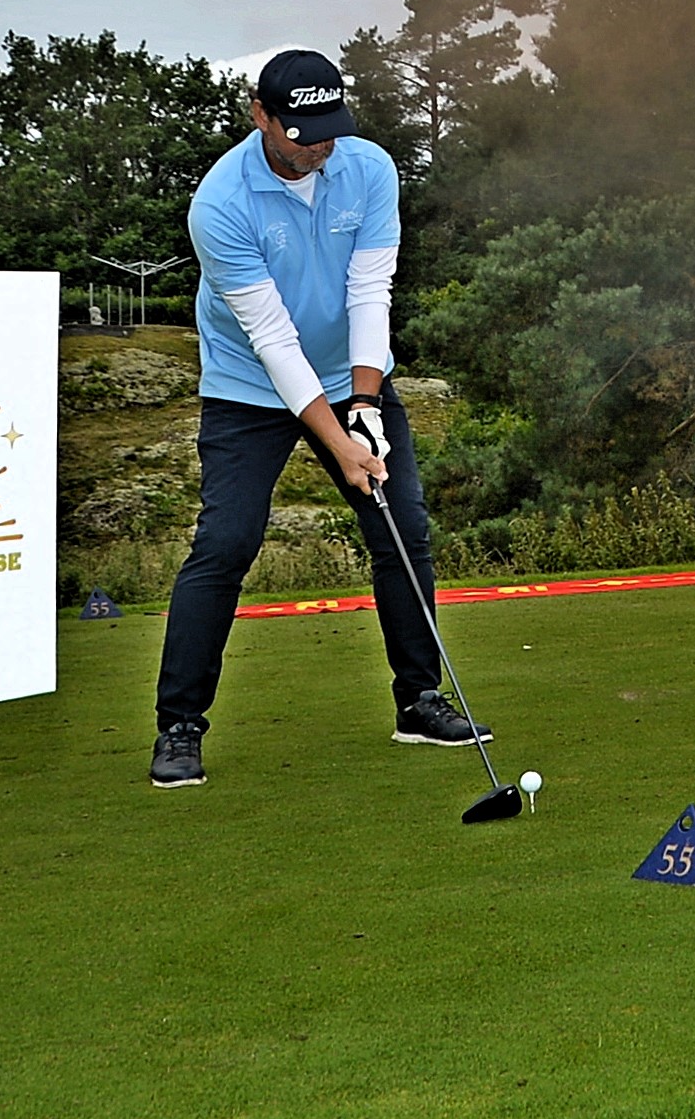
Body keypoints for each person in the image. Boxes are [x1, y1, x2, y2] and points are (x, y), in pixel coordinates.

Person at [147, 48, 484, 788]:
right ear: (261, 117)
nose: (320, 146)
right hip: (248, 385)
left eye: (330, 128)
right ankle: (180, 726)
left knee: (403, 529)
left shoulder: (370, 168)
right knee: (227, 542)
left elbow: (370, 291)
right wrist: (339, 444)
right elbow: (272, 339)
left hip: (347, 371)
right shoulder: (220, 204)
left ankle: (419, 701)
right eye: (303, 133)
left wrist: (364, 404)